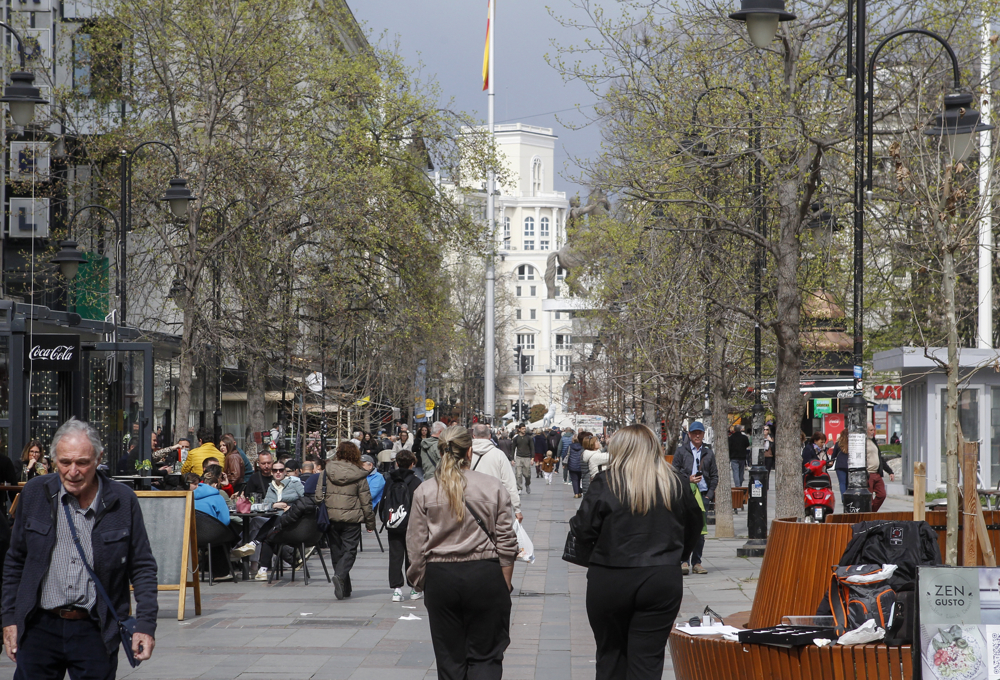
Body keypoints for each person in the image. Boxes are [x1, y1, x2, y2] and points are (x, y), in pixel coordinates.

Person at [2, 417, 158, 677]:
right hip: (38, 626)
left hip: (95, 629)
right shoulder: (34, 493)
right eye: (64, 462)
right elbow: (15, 561)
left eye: (82, 463)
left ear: (98, 459)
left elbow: (142, 566)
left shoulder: (121, 500)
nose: (72, 471)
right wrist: (8, 619)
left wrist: (145, 624)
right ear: (53, 461)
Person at [571, 424, 701, 680]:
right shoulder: (676, 482)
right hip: (661, 577)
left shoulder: (606, 482)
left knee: (611, 655)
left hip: (611, 575)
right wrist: (675, 556)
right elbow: (694, 525)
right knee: (648, 660)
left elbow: (583, 528)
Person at [406, 425, 517, 680]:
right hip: (485, 573)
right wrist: (505, 581)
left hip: (441, 576)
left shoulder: (425, 490)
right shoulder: (492, 487)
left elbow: (415, 544)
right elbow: (506, 541)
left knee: (450, 659)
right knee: (487, 655)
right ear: (469, 452)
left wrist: (421, 580)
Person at [316, 441, 375, 599]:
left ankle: (344, 587)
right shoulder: (359, 473)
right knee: (350, 551)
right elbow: (365, 501)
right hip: (352, 519)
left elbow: (318, 496)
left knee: (337, 552)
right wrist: (370, 523)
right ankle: (341, 577)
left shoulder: (327, 471)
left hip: (331, 517)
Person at [672, 421, 717, 575]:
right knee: (684, 528)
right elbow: (674, 472)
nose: (697, 435)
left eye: (700, 432)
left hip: (703, 496)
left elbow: (714, 476)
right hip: (685, 495)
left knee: (700, 531)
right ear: (689, 435)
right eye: (694, 433)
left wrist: (709, 495)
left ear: (703, 435)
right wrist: (688, 479)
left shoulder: (708, 453)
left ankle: (697, 562)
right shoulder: (681, 451)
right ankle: (683, 561)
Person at [384, 450, 422, 602]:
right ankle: (414, 588)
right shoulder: (417, 482)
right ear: (413, 464)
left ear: (397, 463)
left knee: (395, 555)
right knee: (412, 556)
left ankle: (396, 590)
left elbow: (383, 501)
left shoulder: (390, 480)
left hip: (394, 522)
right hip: (412, 524)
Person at [470, 423, 523, 522]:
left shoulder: (466, 453)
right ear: (490, 436)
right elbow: (509, 483)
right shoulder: (499, 455)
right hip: (493, 503)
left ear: (473, 436)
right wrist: (516, 508)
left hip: (470, 503)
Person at [867, 422, 887, 511]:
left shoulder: (873, 441)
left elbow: (879, 457)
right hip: (868, 473)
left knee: (882, 494)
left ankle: (872, 511)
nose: (873, 432)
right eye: (871, 430)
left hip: (877, 473)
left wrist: (890, 471)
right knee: (869, 497)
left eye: (874, 430)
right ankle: (869, 514)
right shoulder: (863, 442)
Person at [511, 424, 534, 494]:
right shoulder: (516, 438)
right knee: (518, 474)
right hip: (519, 457)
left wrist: (532, 458)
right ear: (519, 429)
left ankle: (527, 484)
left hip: (527, 458)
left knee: (527, 474)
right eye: (523, 429)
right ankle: (519, 488)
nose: (524, 430)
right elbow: (513, 449)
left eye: (525, 428)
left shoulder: (529, 438)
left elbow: (532, 448)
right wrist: (512, 459)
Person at [833, 430, 849, 497]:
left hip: (840, 465)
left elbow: (833, 455)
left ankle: (843, 498)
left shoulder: (838, 444)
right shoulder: (852, 444)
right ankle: (848, 498)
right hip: (849, 465)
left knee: (842, 483)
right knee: (849, 483)